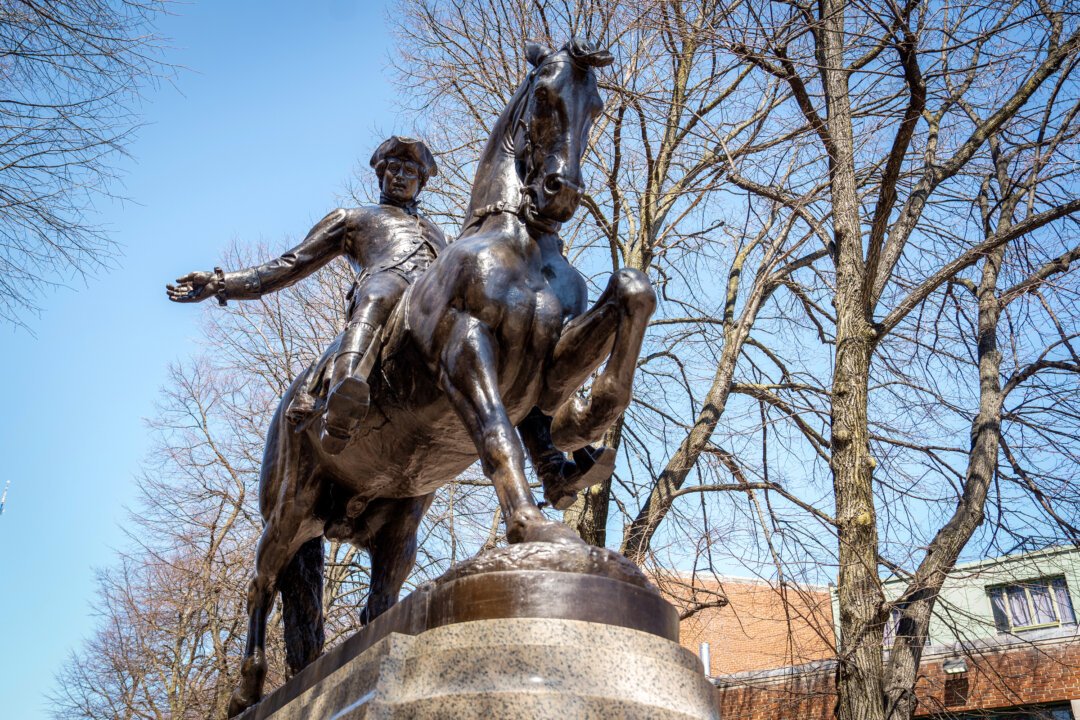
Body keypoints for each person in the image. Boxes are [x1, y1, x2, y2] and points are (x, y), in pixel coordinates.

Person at [167, 136, 446, 452]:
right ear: (381, 173)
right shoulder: (352, 219)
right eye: (394, 168)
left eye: (410, 171)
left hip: (432, 301)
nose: (400, 176)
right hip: (383, 289)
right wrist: (222, 283)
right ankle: (344, 395)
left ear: (421, 182)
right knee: (378, 294)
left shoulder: (438, 234)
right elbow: (291, 264)